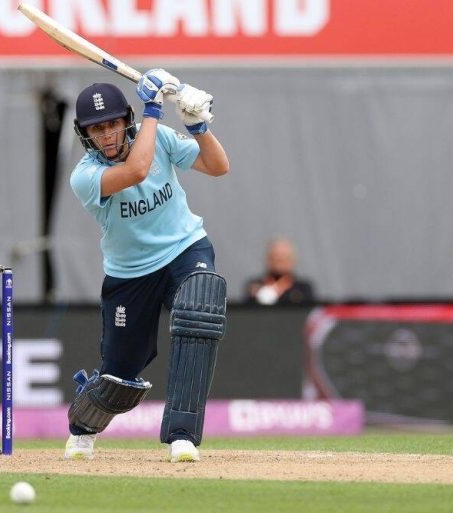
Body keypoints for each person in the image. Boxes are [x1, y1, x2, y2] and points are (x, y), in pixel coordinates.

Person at [64, 71, 230, 463]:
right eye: (97, 128)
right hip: (130, 273)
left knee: (199, 308)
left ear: (126, 122)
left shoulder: (160, 139)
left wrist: (199, 126)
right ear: (85, 133)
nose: (106, 135)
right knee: (120, 375)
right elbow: (136, 171)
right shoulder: (85, 176)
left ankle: (182, 435)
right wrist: (154, 108)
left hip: (184, 248)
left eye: (113, 124)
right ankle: (83, 427)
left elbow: (218, 166)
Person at [244, 237, 315, 305]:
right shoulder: (254, 286)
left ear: (293, 260)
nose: (279, 261)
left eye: (284, 257)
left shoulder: (303, 288)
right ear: (267, 259)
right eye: (275, 257)